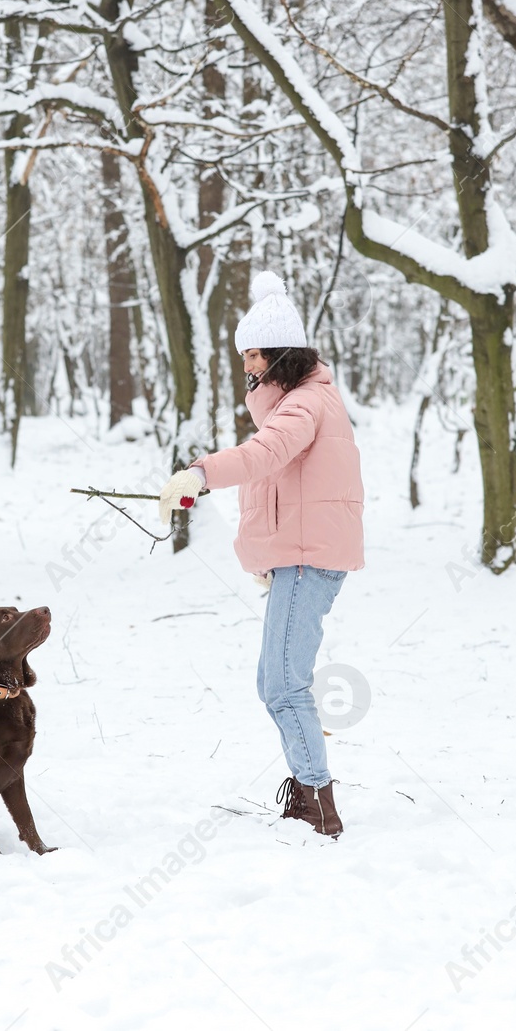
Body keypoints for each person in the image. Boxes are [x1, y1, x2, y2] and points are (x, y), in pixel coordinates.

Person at [158, 271, 364, 837]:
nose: (245, 366)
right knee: (275, 680)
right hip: (299, 558)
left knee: (282, 683)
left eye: (252, 354)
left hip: (307, 559)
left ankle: (317, 804)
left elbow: (263, 455)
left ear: (279, 357)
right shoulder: (308, 401)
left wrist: (200, 474)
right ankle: (307, 793)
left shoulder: (303, 406)